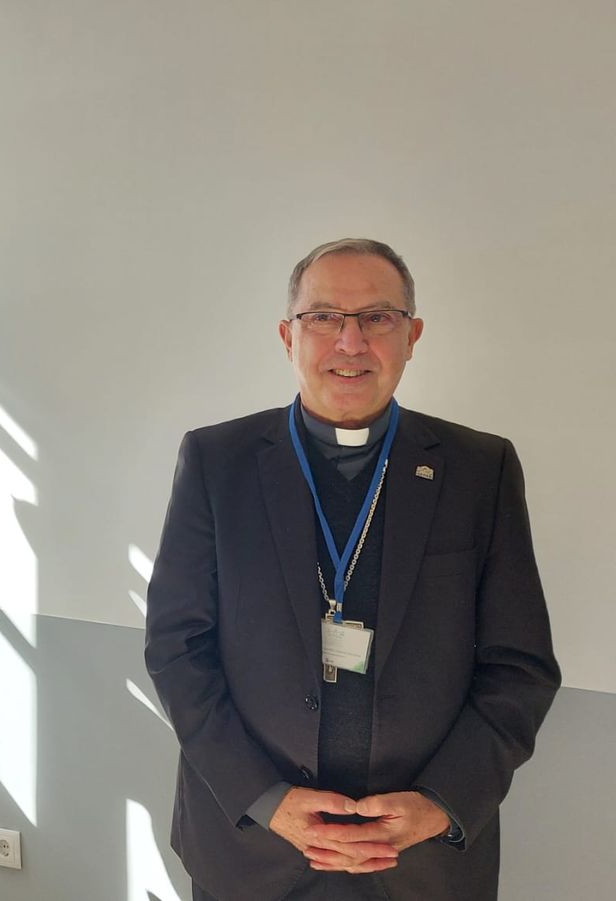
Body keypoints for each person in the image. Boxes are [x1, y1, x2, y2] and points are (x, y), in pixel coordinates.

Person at [144, 237, 560, 901]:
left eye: (377, 317)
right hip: (254, 847)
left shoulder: (480, 470)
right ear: (289, 335)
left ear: (411, 334)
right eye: (325, 318)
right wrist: (267, 798)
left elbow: (521, 666)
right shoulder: (217, 463)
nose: (350, 341)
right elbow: (176, 649)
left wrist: (437, 804)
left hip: (421, 860)